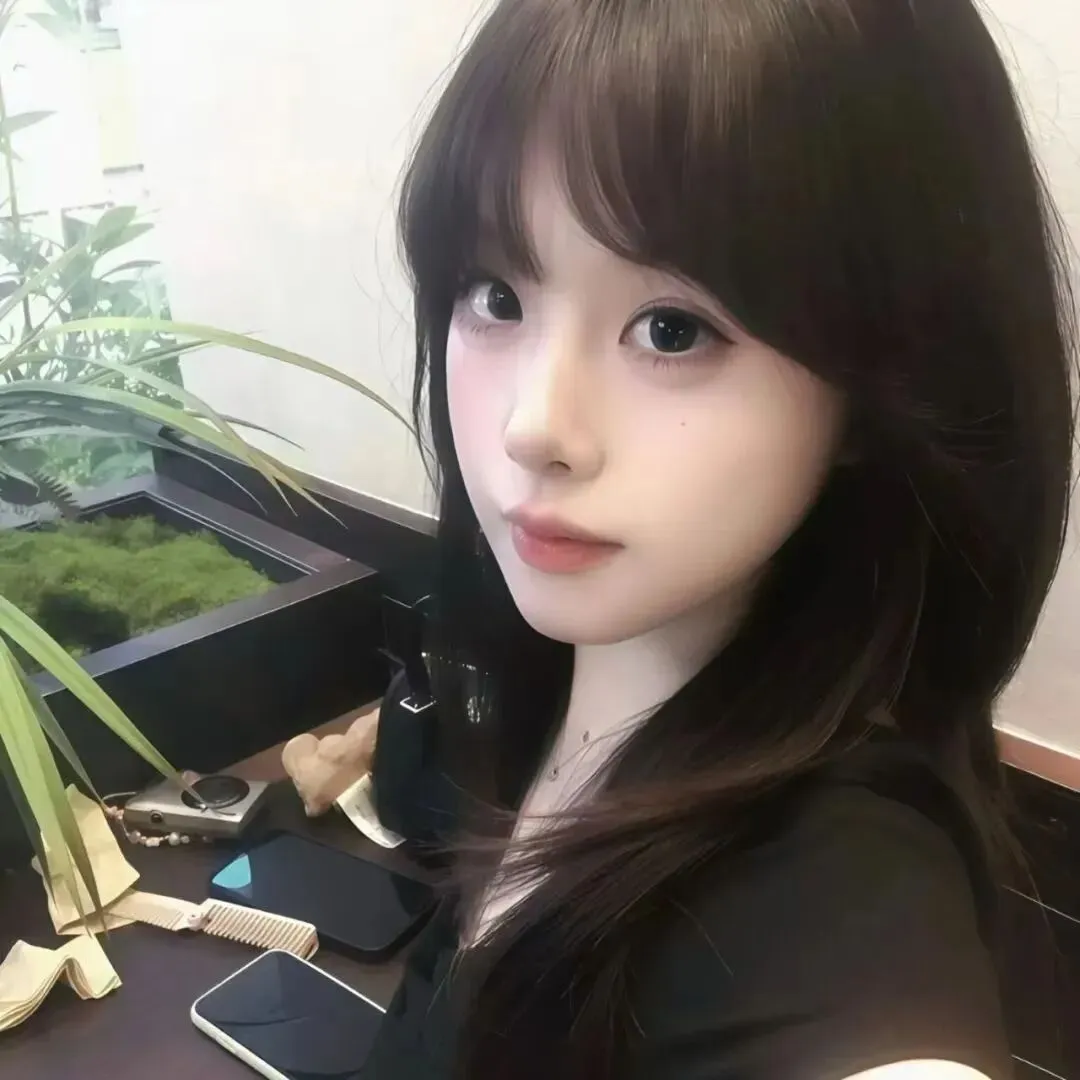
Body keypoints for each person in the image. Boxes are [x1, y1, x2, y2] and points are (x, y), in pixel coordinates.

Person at [363, 1, 1077, 1077]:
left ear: (882, 383)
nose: (533, 428)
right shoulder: (553, 680)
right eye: (496, 295)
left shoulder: (834, 906)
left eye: (672, 329)